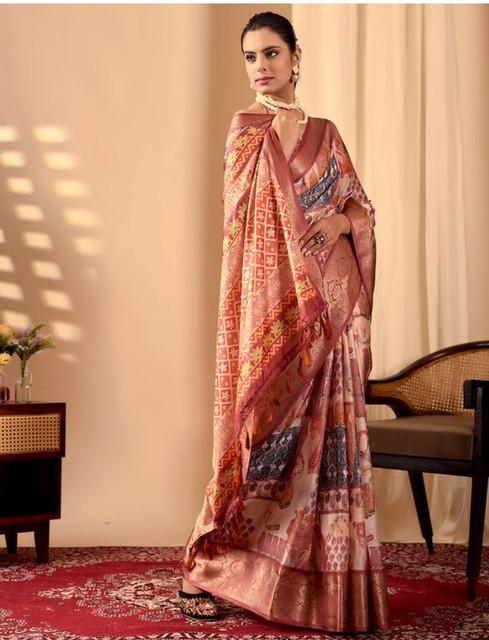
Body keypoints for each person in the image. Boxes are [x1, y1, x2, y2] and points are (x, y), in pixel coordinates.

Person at [175, 11, 391, 633]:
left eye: (271, 53)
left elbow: (360, 208)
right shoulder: (245, 132)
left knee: (332, 451)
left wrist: (341, 222)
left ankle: (327, 589)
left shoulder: (326, 132)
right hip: (282, 310)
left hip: (336, 306)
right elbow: (242, 238)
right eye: (250, 57)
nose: (261, 66)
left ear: (297, 56)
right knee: (265, 442)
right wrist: (291, 278)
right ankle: (207, 566)